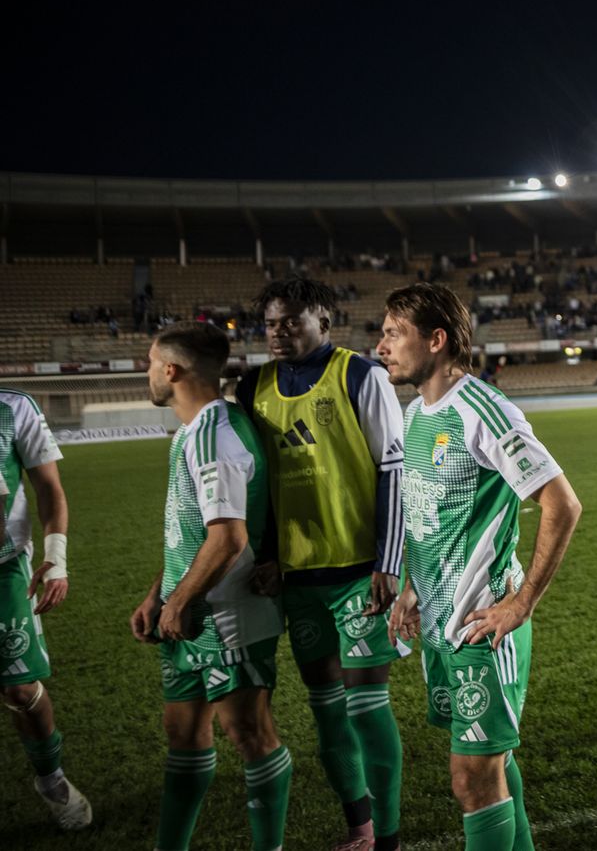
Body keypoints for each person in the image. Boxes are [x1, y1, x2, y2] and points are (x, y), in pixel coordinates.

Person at [378, 283, 582, 851]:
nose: (382, 344)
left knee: (471, 780)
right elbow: (430, 515)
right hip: (443, 624)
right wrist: (413, 590)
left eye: (395, 332)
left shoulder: (483, 409)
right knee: (492, 765)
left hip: (482, 626)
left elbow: (561, 503)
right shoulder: (416, 413)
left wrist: (521, 604)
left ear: (436, 340)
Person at [236, 277, 406, 851]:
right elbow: (253, 485)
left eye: (292, 321)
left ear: (324, 323)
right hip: (298, 578)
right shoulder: (252, 387)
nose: (280, 333)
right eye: (271, 323)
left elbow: (394, 468)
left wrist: (388, 559)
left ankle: (389, 836)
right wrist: (266, 556)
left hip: (360, 571)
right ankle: (358, 827)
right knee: (327, 715)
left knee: (366, 707)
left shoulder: (361, 374)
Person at [129, 321, 291, 851]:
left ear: (172, 370)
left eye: (152, 364)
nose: (148, 373)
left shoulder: (214, 434)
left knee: (250, 735)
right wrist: (160, 592)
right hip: (191, 611)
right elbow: (192, 527)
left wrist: (181, 598)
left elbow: (228, 539)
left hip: (228, 616)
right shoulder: (196, 430)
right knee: (182, 732)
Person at [0, 387, 91, 830]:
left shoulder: (14, 407)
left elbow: (49, 487)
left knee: (19, 691)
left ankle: (50, 778)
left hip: (4, 567)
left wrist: (56, 558)